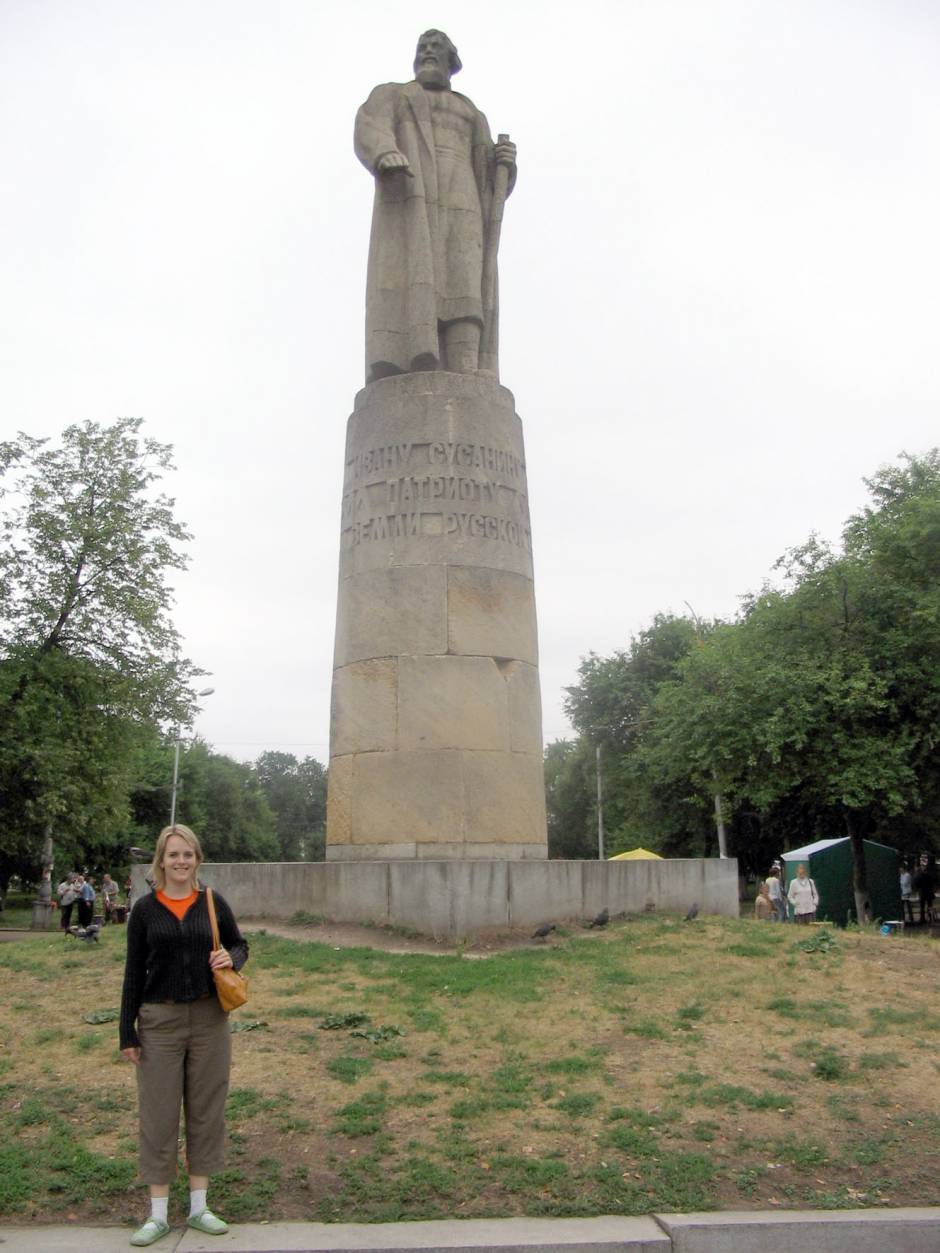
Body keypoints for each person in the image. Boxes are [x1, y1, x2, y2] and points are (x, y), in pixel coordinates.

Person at [355, 30, 517, 381]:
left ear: (451, 61)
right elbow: (370, 124)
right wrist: (385, 152)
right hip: (413, 197)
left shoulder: (471, 112)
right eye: (422, 48)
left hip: (464, 200)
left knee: (465, 279)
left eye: (435, 48)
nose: (427, 53)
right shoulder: (394, 95)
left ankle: (467, 366)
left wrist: (503, 164)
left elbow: (490, 178)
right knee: (415, 278)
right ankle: (413, 357)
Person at [120, 824, 248, 1246]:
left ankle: (199, 1206)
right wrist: (128, 1032)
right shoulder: (145, 910)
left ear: (197, 859)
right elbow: (133, 972)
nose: (180, 862)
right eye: (173, 855)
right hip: (159, 1021)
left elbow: (239, 945)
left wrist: (233, 956)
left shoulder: (212, 902)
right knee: (158, 1115)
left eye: (187, 854)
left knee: (206, 1110)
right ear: (161, 860)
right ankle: (157, 1214)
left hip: (210, 1019)